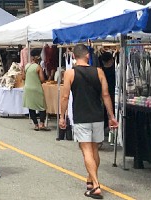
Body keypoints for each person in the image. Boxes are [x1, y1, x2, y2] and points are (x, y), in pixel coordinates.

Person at [58, 44, 117, 199]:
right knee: (94, 149)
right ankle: (90, 180)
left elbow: (64, 97)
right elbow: (106, 95)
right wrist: (111, 116)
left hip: (81, 116)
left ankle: (96, 185)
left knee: (86, 151)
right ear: (88, 56)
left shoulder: (70, 73)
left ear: (73, 57)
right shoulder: (99, 72)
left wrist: (62, 116)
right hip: (97, 115)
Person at [22, 49, 49, 131]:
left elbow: (23, 77)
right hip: (36, 88)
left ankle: (36, 125)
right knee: (42, 106)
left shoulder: (27, 66)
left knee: (31, 106)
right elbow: (42, 79)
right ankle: (41, 124)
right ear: (37, 57)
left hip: (28, 88)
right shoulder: (38, 67)